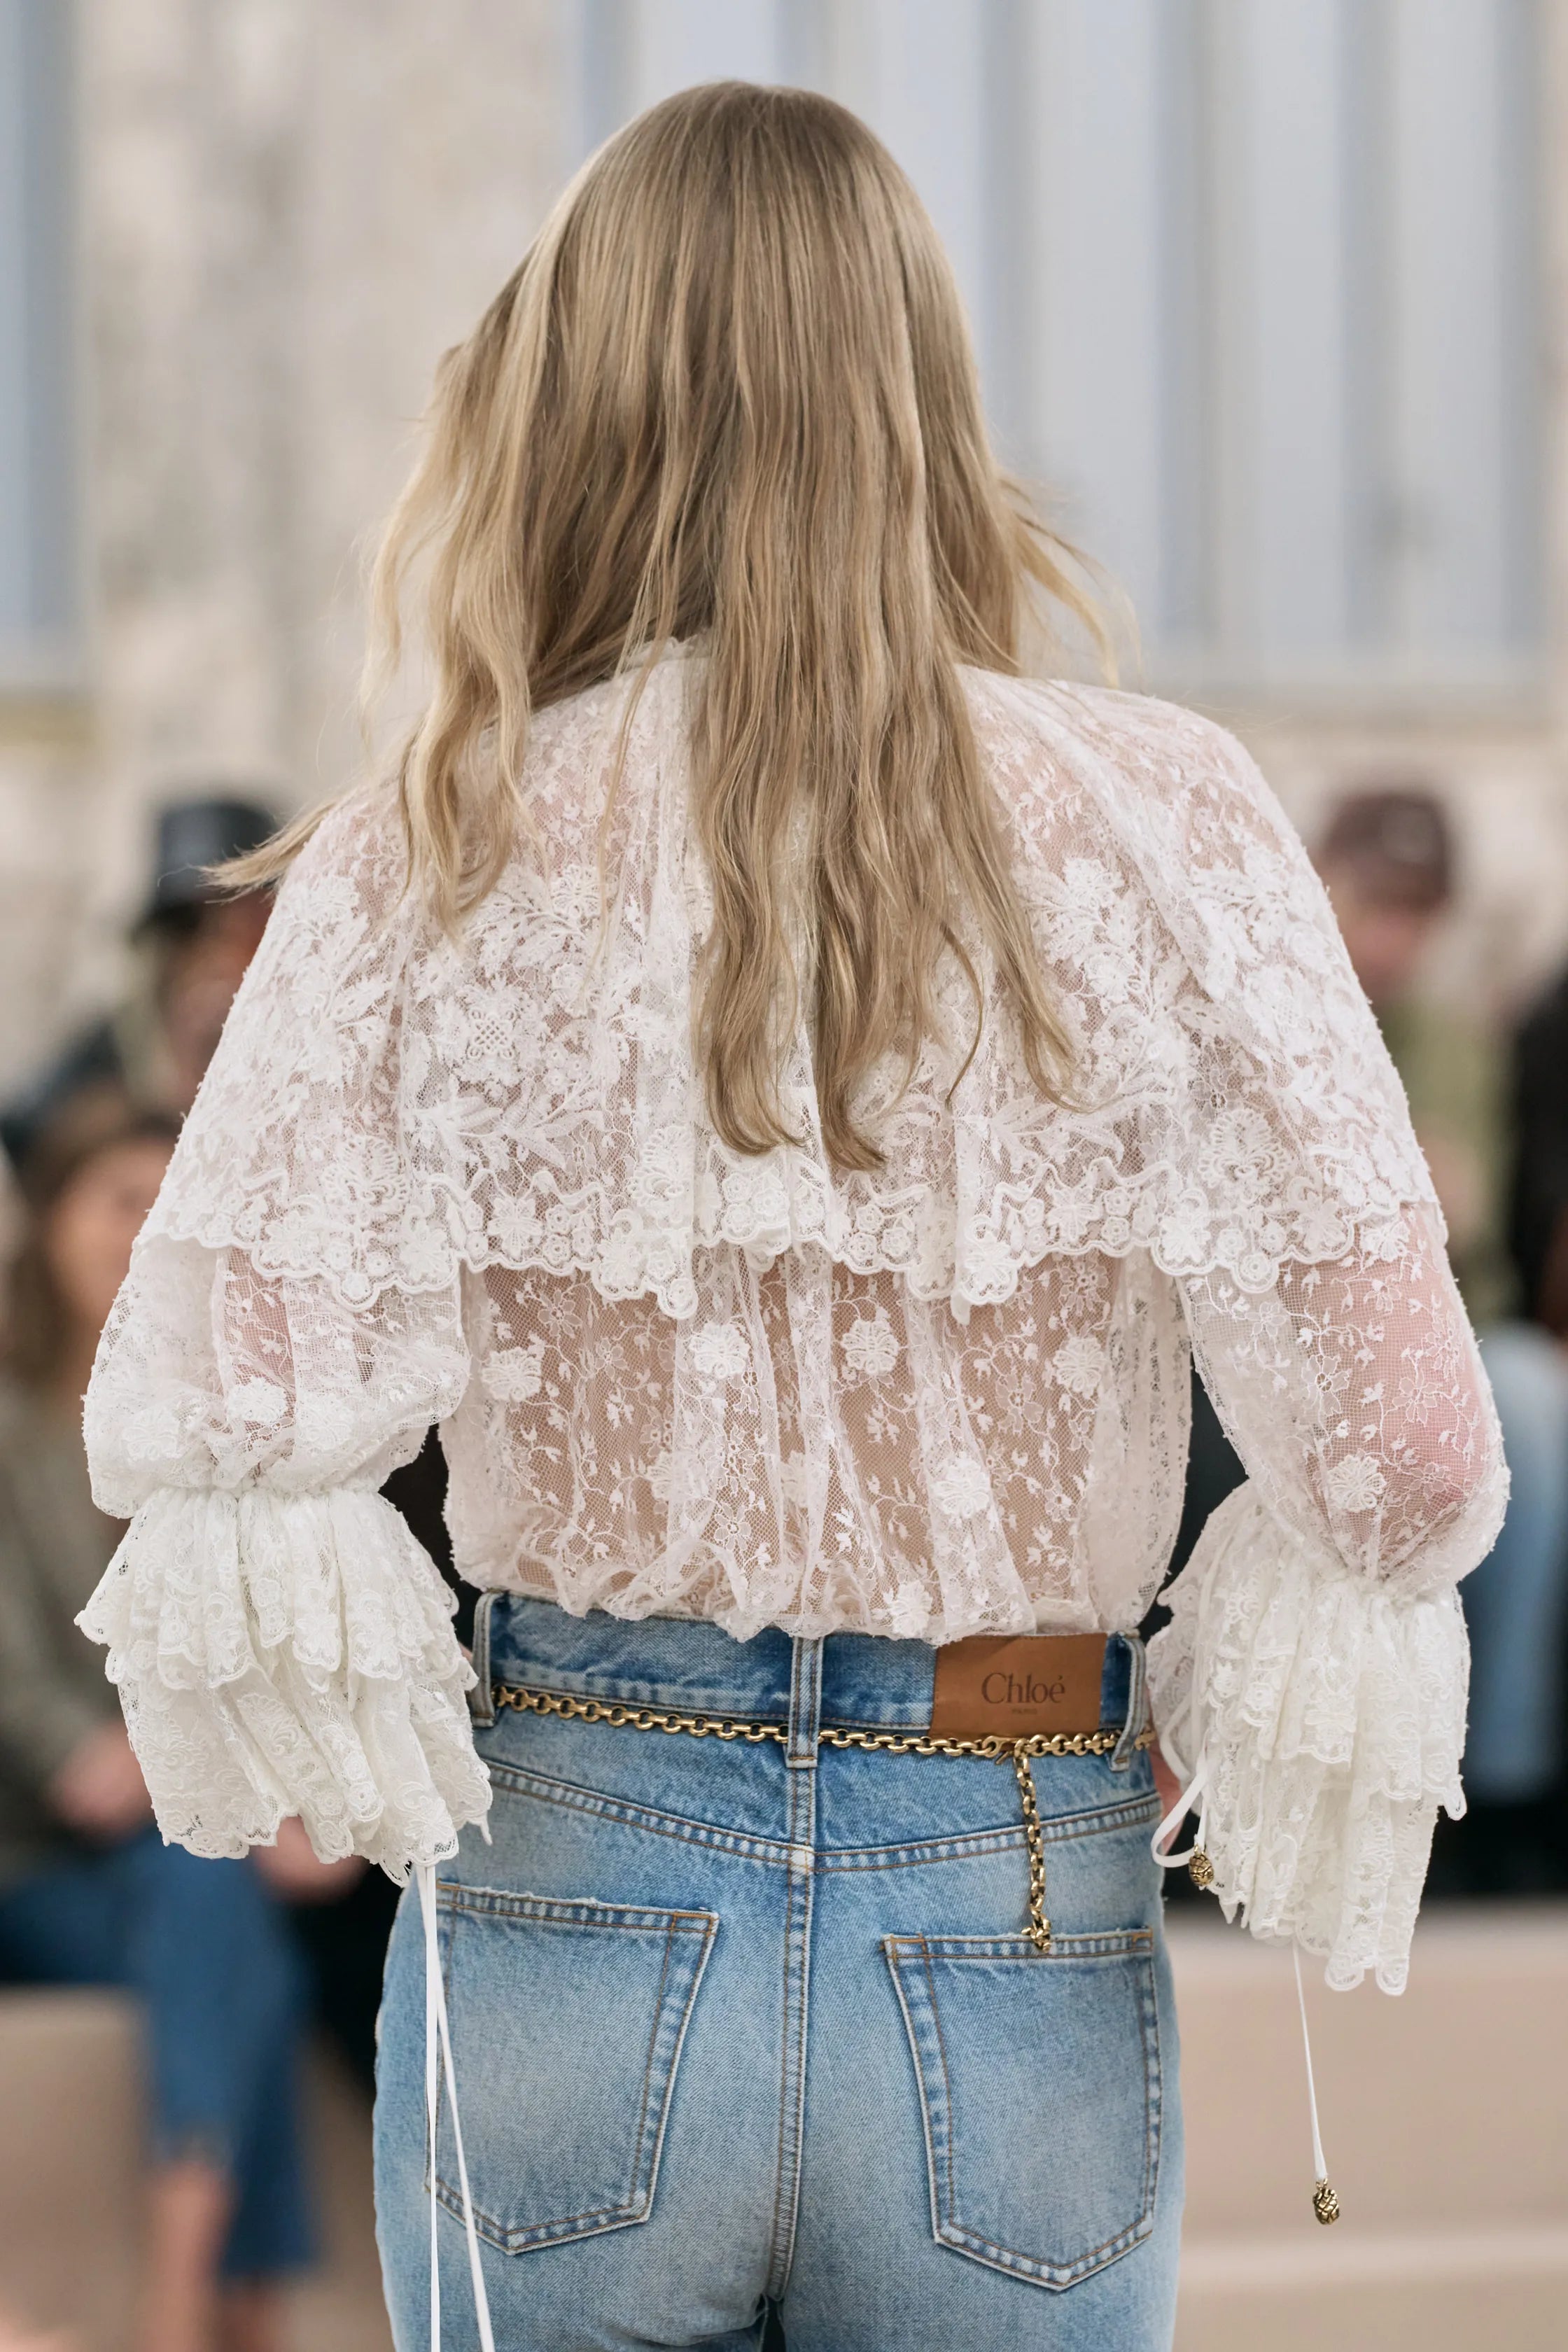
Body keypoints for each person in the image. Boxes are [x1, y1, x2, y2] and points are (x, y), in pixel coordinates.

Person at [76, 85, 1505, 2352]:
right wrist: (1200, 1685)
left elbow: (216, 1410)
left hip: (569, 1857)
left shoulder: (433, 839)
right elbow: (1414, 1456)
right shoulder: (1172, 823)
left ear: (569, 398)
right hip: (1019, 1839)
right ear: (928, 399)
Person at [0, 1090, 320, 2352]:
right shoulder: (10, 1425)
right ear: (52, 1222)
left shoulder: (210, 1446)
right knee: (219, 1891)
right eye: (119, 1200)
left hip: (169, 1866)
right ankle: (214, 2312)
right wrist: (200, 1784)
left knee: (220, 1907)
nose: (142, 1235)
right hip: (31, 1866)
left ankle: (194, 2306)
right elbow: (33, 1709)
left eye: (167, 1207)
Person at [1315, 790, 1568, 1891]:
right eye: (1376, 903)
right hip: (1312, 1344)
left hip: (1458, 1334)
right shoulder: (1276, 1008)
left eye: (1418, 914)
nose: (1391, 938)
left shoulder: (1447, 1034)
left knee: (1529, 1407)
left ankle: (1500, 1792)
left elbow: (1459, 1204)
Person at [0, 797, 276, 1178]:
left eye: (238, 932)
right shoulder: (112, 1045)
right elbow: (22, 1130)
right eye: (187, 927)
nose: (212, 955)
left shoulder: (302, 1042)